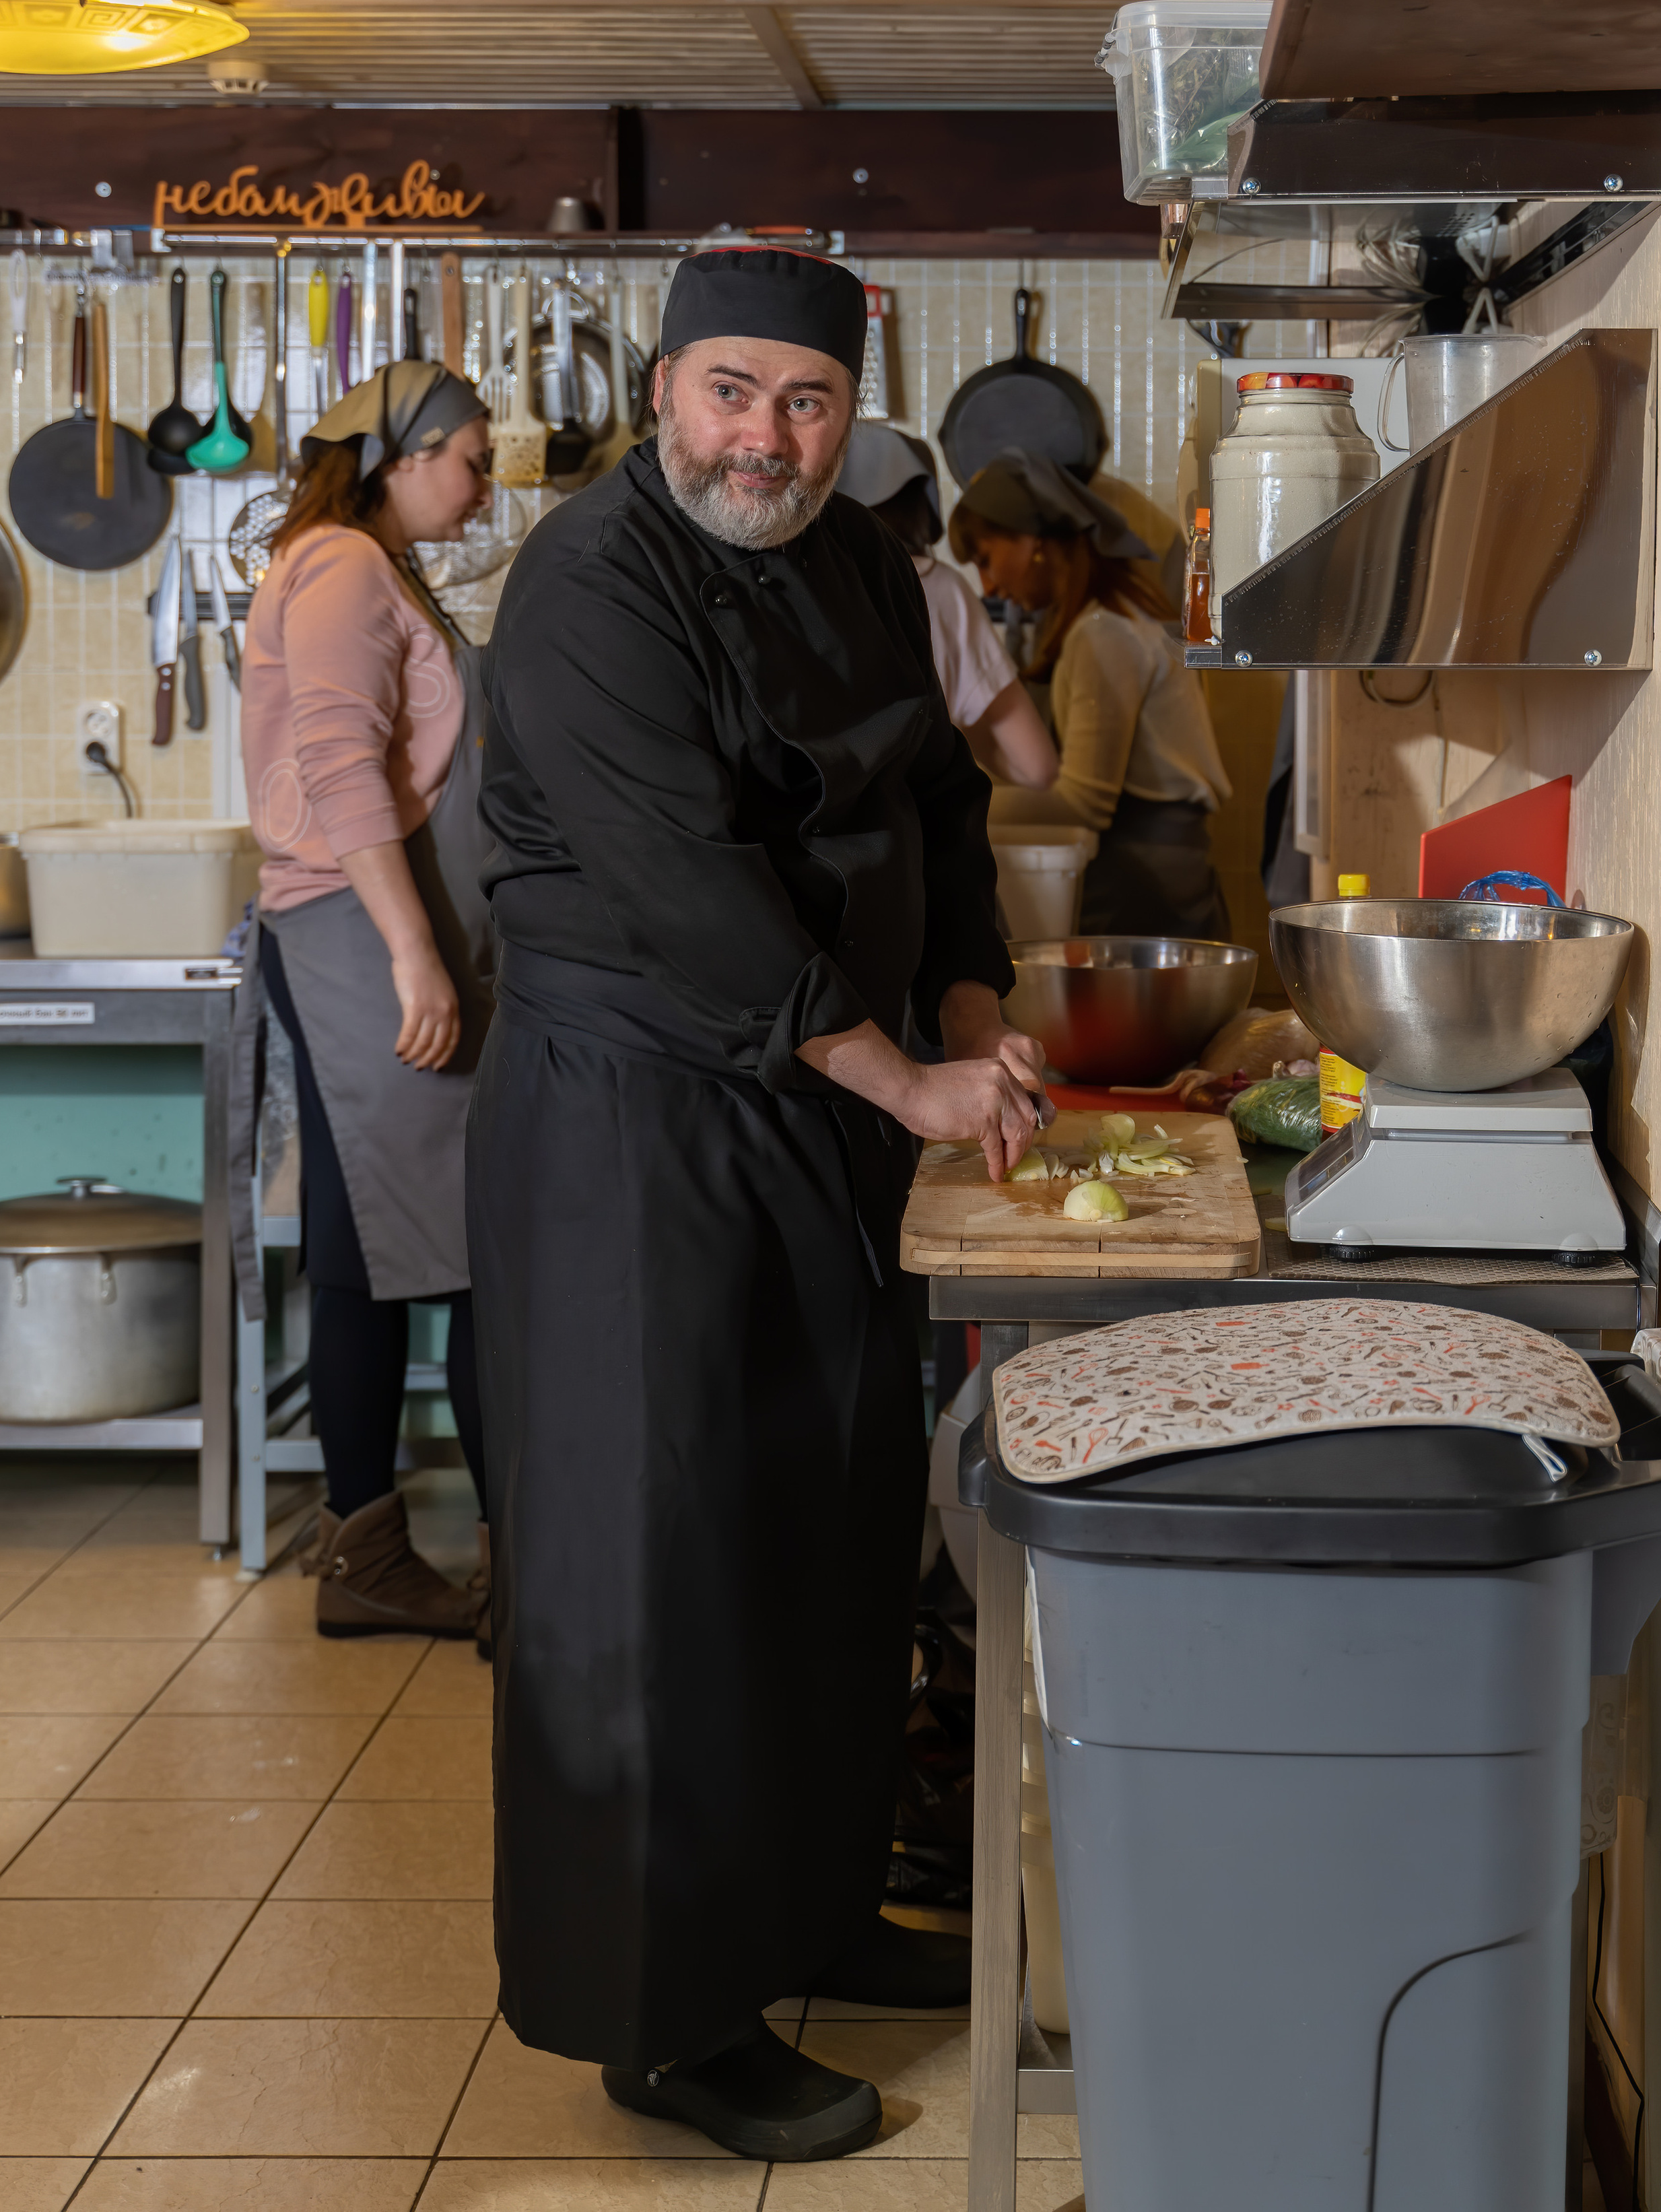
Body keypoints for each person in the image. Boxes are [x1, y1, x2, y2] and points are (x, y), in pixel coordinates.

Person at [470, 247, 1048, 2161]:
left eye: (805, 400)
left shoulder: (863, 557)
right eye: (732, 390)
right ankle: (670, 2018)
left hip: (819, 1104)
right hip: (636, 1113)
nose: (765, 436)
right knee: (665, 1568)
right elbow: (686, 883)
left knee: (826, 1520)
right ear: (659, 391)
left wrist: (969, 1000)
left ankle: (808, 1911)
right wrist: (901, 1072)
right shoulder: (588, 581)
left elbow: (943, 808)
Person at [234, 361, 496, 1642]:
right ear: (408, 453)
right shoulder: (341, 566)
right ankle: (379, 1552)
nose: (486, 482)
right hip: (357, 934)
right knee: (426, 1253)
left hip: (362, 928)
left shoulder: (362, 562)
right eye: (474, 459)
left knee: (389, 1247)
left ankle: (374, 1545)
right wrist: (415, 953)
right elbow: (342, 770)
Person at [947, 446, 1232, 938]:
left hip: (1145, 883)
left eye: (987, 559)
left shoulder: (1105, 633)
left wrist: (958, 807)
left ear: (1033, 541)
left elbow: (1082, 803)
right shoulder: (1109, 617)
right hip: (1159, 873)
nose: (988, 587)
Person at [835, 420, 1060, 788]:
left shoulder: (779, 584)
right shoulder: (940, 588)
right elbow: (1038, 768)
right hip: (916, 832)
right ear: (921, 506)